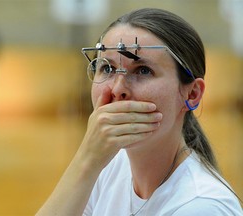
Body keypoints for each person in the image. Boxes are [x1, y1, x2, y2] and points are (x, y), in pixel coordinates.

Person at [36, 8, 243, 216]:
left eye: (143, 70)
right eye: (107, 68)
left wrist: (88, 160)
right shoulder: (110, 167)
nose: (117, 89)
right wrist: (86, 160)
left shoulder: (202, 206)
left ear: (192, 95)